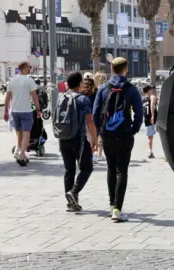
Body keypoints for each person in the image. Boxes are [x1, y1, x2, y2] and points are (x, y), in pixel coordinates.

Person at [93, 57, 143, 222]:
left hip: (107, 135)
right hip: (124, 135)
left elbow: (95, 114)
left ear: (111, 69)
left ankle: (111, 205)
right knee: (122, 170)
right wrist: (133, 129)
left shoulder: (102, 88)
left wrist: (101, 130)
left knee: (110, 169)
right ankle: (117, 209)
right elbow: (139, 113)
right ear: (125, 69)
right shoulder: (131, 89)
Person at [54, 71, 98, 212]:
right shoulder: (82, 99)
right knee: (87, 167)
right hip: (78, 139)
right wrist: (95, 139)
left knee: (69, 170)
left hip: (63, 137)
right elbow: (90, 121)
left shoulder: (62, 98)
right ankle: (73, 192)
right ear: (80, 83)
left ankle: (71, 203)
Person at [4, 62, 42, 163]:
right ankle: (21, 155)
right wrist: (38, 109)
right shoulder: (29, 80)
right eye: (29, 67)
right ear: (24, 68)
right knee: (26, 135)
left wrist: (6, 111)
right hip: (26, 111)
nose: (29, 69)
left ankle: (17, 151)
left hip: (14, 111)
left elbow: (7, 98)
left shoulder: (12, 80)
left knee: (18, 134)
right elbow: (34, 97)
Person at [93, 72, 108, 162]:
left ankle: (94, 153)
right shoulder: (102, 89)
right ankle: (99, 154)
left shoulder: (93, 89)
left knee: (93, 134)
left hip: (91, 114)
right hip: (101, 114)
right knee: (100, 134)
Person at [142, 85, 158, 158]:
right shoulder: (152, 97)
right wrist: (153, 116)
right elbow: (151, 106)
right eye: (152, 89)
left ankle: (150, 152)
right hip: (154, 119)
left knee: (150, 137)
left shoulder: (143, 100)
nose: (153, 91)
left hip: (146, 119)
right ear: (148, 91)